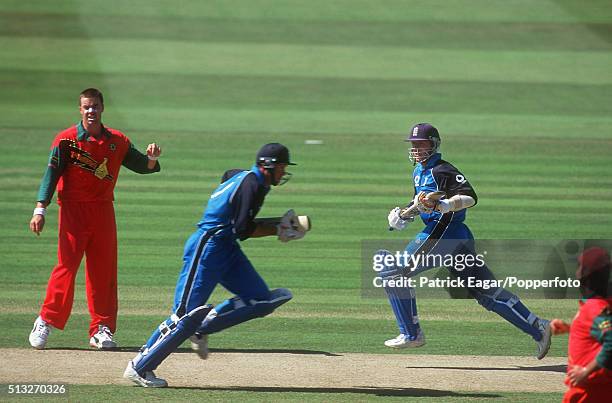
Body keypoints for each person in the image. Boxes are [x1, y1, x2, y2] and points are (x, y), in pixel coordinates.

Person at [123, 143, 306, 388]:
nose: (283, 174)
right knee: (184, 315)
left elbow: (228, 176)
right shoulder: (252, 184)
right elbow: (243, 229)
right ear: (268, 166)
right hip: (208, 247)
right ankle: (140, 367)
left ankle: (203, 328)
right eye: (281, 168)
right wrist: (277, 229)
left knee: (261, 299)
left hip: (227, 248)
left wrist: (276, 224)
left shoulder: (246, 178)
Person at [383, 123, 551, 358]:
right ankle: (537, 326)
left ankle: (411, 334)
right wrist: (403, 216)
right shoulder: (418, 171)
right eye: (413, 144)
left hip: (444, 233)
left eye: (421, 144)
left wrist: (448, 204)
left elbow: (471, 197)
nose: (417, 148)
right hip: (454, 237)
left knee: (392, 271)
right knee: (485, 293)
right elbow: (421, 202)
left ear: (433, 144)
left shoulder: (442, 170)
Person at [28, 88, 162, 350]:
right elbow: (51, 174)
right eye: (87, 107)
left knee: (103, 270)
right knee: (66, 268)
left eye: (95, 106)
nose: (91, 111)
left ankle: (101, 328)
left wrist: (153, 158)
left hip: (102, 210)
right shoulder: (66, 140)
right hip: (73, 211)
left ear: (102, 108)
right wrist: (40, 209)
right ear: (81, 110)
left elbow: (141, 165)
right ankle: (46, 319)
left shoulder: (117, 140)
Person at [550, 247, 611, 402]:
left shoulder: (595, 308)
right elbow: (600, 332)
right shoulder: (601, 305)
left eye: (578, 268)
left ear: (585, 275)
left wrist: (586, 371)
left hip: (590, 394)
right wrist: (573, 329)